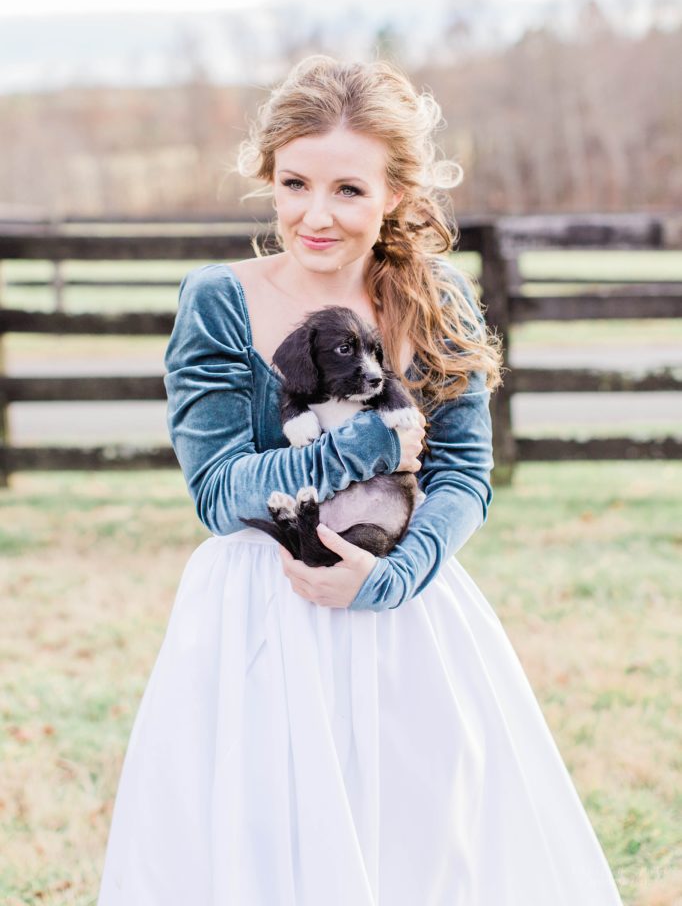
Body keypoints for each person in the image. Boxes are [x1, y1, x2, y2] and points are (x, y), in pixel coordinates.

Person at [97, 55, 624, 904]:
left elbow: (461, 473)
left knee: (423, 842)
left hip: (407, 605)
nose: (315, 214)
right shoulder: (218, 300)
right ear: (268, 176)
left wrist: (391, 579)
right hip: (261, 608)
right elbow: (219, 489)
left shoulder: (436, 298)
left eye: (348, 189)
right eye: (295, 181)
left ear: (395, 196)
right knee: (265, 845)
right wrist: (373, 444)